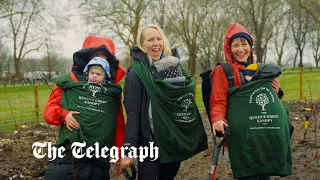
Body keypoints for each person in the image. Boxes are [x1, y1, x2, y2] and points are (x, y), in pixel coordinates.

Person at [119, 24, 208, 180]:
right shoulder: (135, 74)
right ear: (142, 45)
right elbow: (133, 114)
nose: (156, 43)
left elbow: (182, 101)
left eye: (159, 38)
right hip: (150, 142)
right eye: (150, 39)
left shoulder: (173, 68)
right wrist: (129, 150)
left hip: (172, 141)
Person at [210, 23, 292, 180]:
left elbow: (266, 99)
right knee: (248, 175)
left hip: (263, 133)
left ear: (250, 46)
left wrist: (275, 92)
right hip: (243, 137)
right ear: (229, 49)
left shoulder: (259, 70)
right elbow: (218, 100)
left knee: (264, 174)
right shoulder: (224, 71)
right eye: (235, 45)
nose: (240, 49)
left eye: (244, 44)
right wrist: (218, 119)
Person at [43, 36, 126, 180]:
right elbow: (49, 110)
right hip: (69, 156)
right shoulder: (68, 82)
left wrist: (119, 155)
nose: (99, 58)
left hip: (98, 158)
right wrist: (63, 115)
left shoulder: (110, 92)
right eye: (95, 55)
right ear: (87, 58)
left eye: (103, 56)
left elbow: (117, 124)